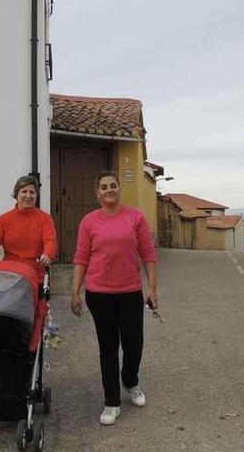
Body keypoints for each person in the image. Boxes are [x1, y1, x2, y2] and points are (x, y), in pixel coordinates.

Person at [70, 170, 158, 426]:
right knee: (107, 348)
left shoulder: (135, 218)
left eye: (113, 186)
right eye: (104, 187)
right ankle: (111, 401)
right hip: (99, 294)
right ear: (97, 194)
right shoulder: (89, 221)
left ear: (120, 189)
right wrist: (75, 292)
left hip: (130, 292)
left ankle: (130, 381)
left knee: (134, 344)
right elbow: (81, 257)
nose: (109, 190)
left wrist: (152, 288)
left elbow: (148, 253)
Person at [0, 175, 57, 279]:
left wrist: (47, 255)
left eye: (32, 192)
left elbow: (50, 242)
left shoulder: (45, 219)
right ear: (16, 194)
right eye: (24, 191)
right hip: (10, 275)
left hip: (35, 276)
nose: (28, 195)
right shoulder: (5, 219)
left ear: (36, 195)